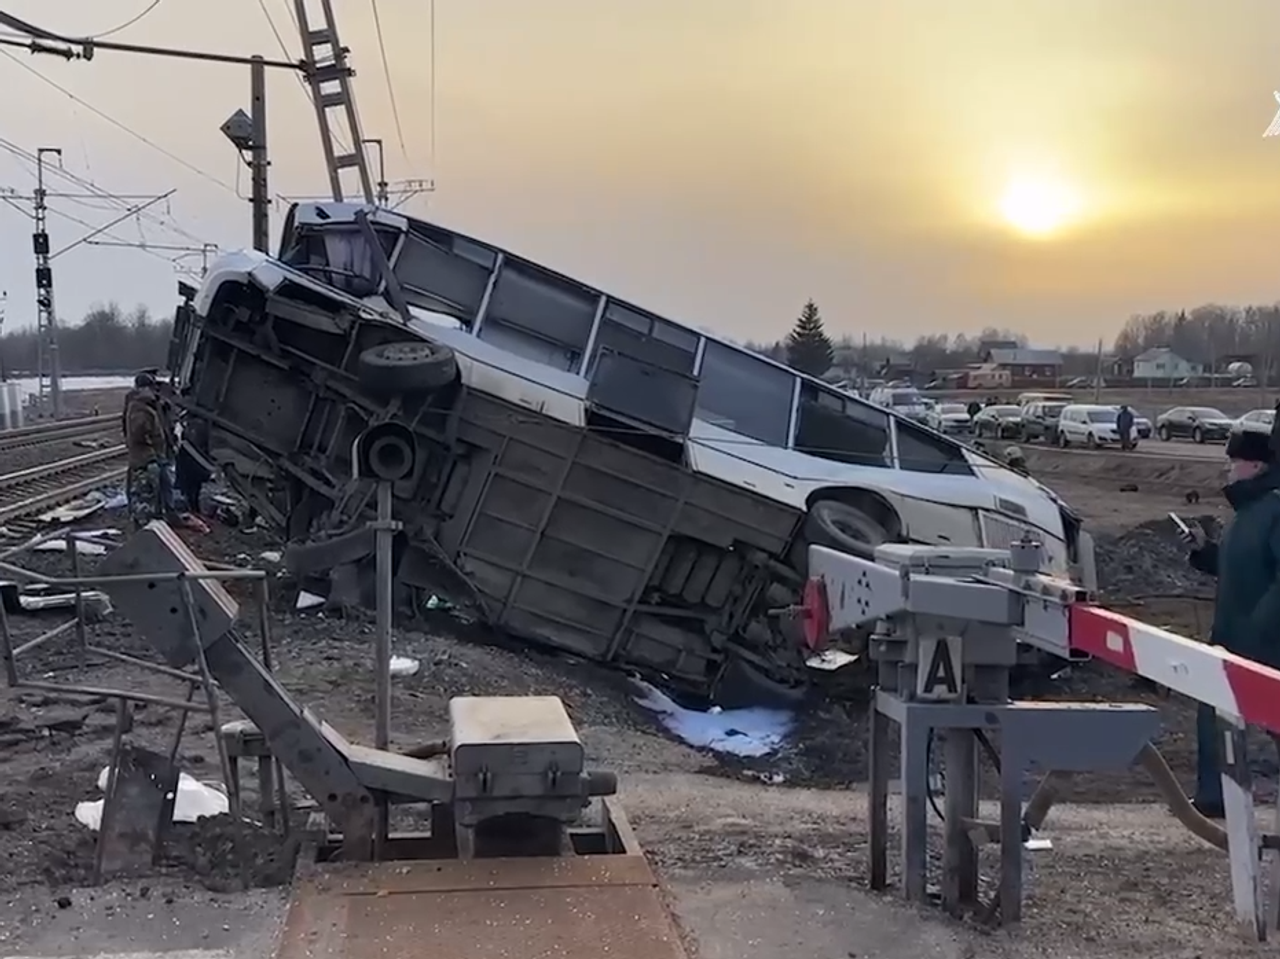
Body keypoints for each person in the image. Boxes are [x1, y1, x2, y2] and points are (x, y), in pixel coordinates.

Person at [1177, 428, 1280, 818]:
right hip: (1236, 636)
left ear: (1254, 464)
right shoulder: (1247, 513)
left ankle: (1217, 793)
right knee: (1217, 713)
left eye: (1232, 461)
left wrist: (1261, 627)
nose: (1227, 469)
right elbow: (1240, 568)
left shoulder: (1273, 510)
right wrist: (1205, 553)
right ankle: (1214, 794)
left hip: (1261, 641)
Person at [123, 377, 177, 527]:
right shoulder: (140, 408)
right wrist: (152, 451)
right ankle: (144, 523)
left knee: (158, 487)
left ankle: (160, 517)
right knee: (145, 492)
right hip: (147, 458)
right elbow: (139, 433)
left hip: (153, 457)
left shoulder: (147, 406)